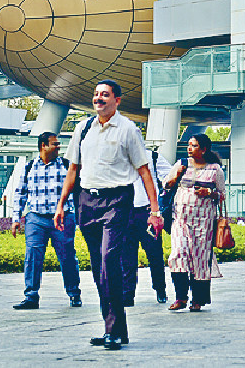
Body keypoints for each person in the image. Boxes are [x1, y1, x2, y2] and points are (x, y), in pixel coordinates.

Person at [54, 80, 164, 351]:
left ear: (117, 100)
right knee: (98, 268)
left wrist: (155, 210)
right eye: (96, 95)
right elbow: (72, 171)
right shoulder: (82, 129)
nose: (99, 99)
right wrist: (61, 204)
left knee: (108, 261)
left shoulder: (128, 129)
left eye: (105, 95)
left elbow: (144, 171)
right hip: (86, 201)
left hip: (117, 200)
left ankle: (113, 329)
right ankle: (115, 328)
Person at [11, 131, 82, 310]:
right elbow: (20, 193)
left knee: (67, 257)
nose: (58, 147)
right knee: (32, 257)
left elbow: (78, 191)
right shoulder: (29, 167)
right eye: (54, 144)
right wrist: (16, 218)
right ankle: (31, 296)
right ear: (43, 146)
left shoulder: (67, 166)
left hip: (63, 219)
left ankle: (74, 293)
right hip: (35, 219)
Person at [164, 133, 226, 311]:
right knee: (178, 253)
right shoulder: (182, 164)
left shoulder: (215, 169)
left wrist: (210, 193)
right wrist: (174, 178)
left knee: (199, 259)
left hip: (204, 221)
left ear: (204, 149)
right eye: (189, 145)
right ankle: (180, 297)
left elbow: (222, 194)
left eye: (194, 145)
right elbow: (166, 185)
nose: (190, 149)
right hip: (180, 218)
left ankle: (198, 300)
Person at [122, 146, 172, 306]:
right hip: (125, 212)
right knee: (127, 256)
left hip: (148, 212)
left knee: (155, 253)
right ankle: (127, 293)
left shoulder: (153, 157)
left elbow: (170, 177)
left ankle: (160, 289)